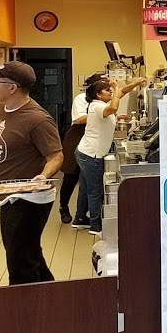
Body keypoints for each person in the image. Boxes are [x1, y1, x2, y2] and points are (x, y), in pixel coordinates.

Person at [0, 61, 63, 284]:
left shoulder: (37, 119)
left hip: (29, 196)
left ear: (12, 87)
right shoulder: (3, 109)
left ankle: (23, 302)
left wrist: (42, 177)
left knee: (19, 258)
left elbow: (56, 156)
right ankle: (49, 294)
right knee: (28, 252)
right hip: (7, 193)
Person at [72, 76, 146, 234]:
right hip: (91, 155)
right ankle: (95, 225)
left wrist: (135, 83)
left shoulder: (100, 104)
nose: (111, 92)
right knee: (95, 191)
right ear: (98, 95)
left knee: (86, 188)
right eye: (107, 91)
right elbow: (113, 107)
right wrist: (116, 86)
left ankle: (80, 219)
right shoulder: (97, 106)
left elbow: (121, 93)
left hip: (85, 151)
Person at [57, 72, 106, 223]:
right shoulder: (81, 98)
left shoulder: (103, 101)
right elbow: (79, 119)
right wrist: (101, 114)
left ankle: (82, 214)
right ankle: (63, 207)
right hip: (76, 137)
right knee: (71, 175)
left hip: (92, 139)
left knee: (86, 178)